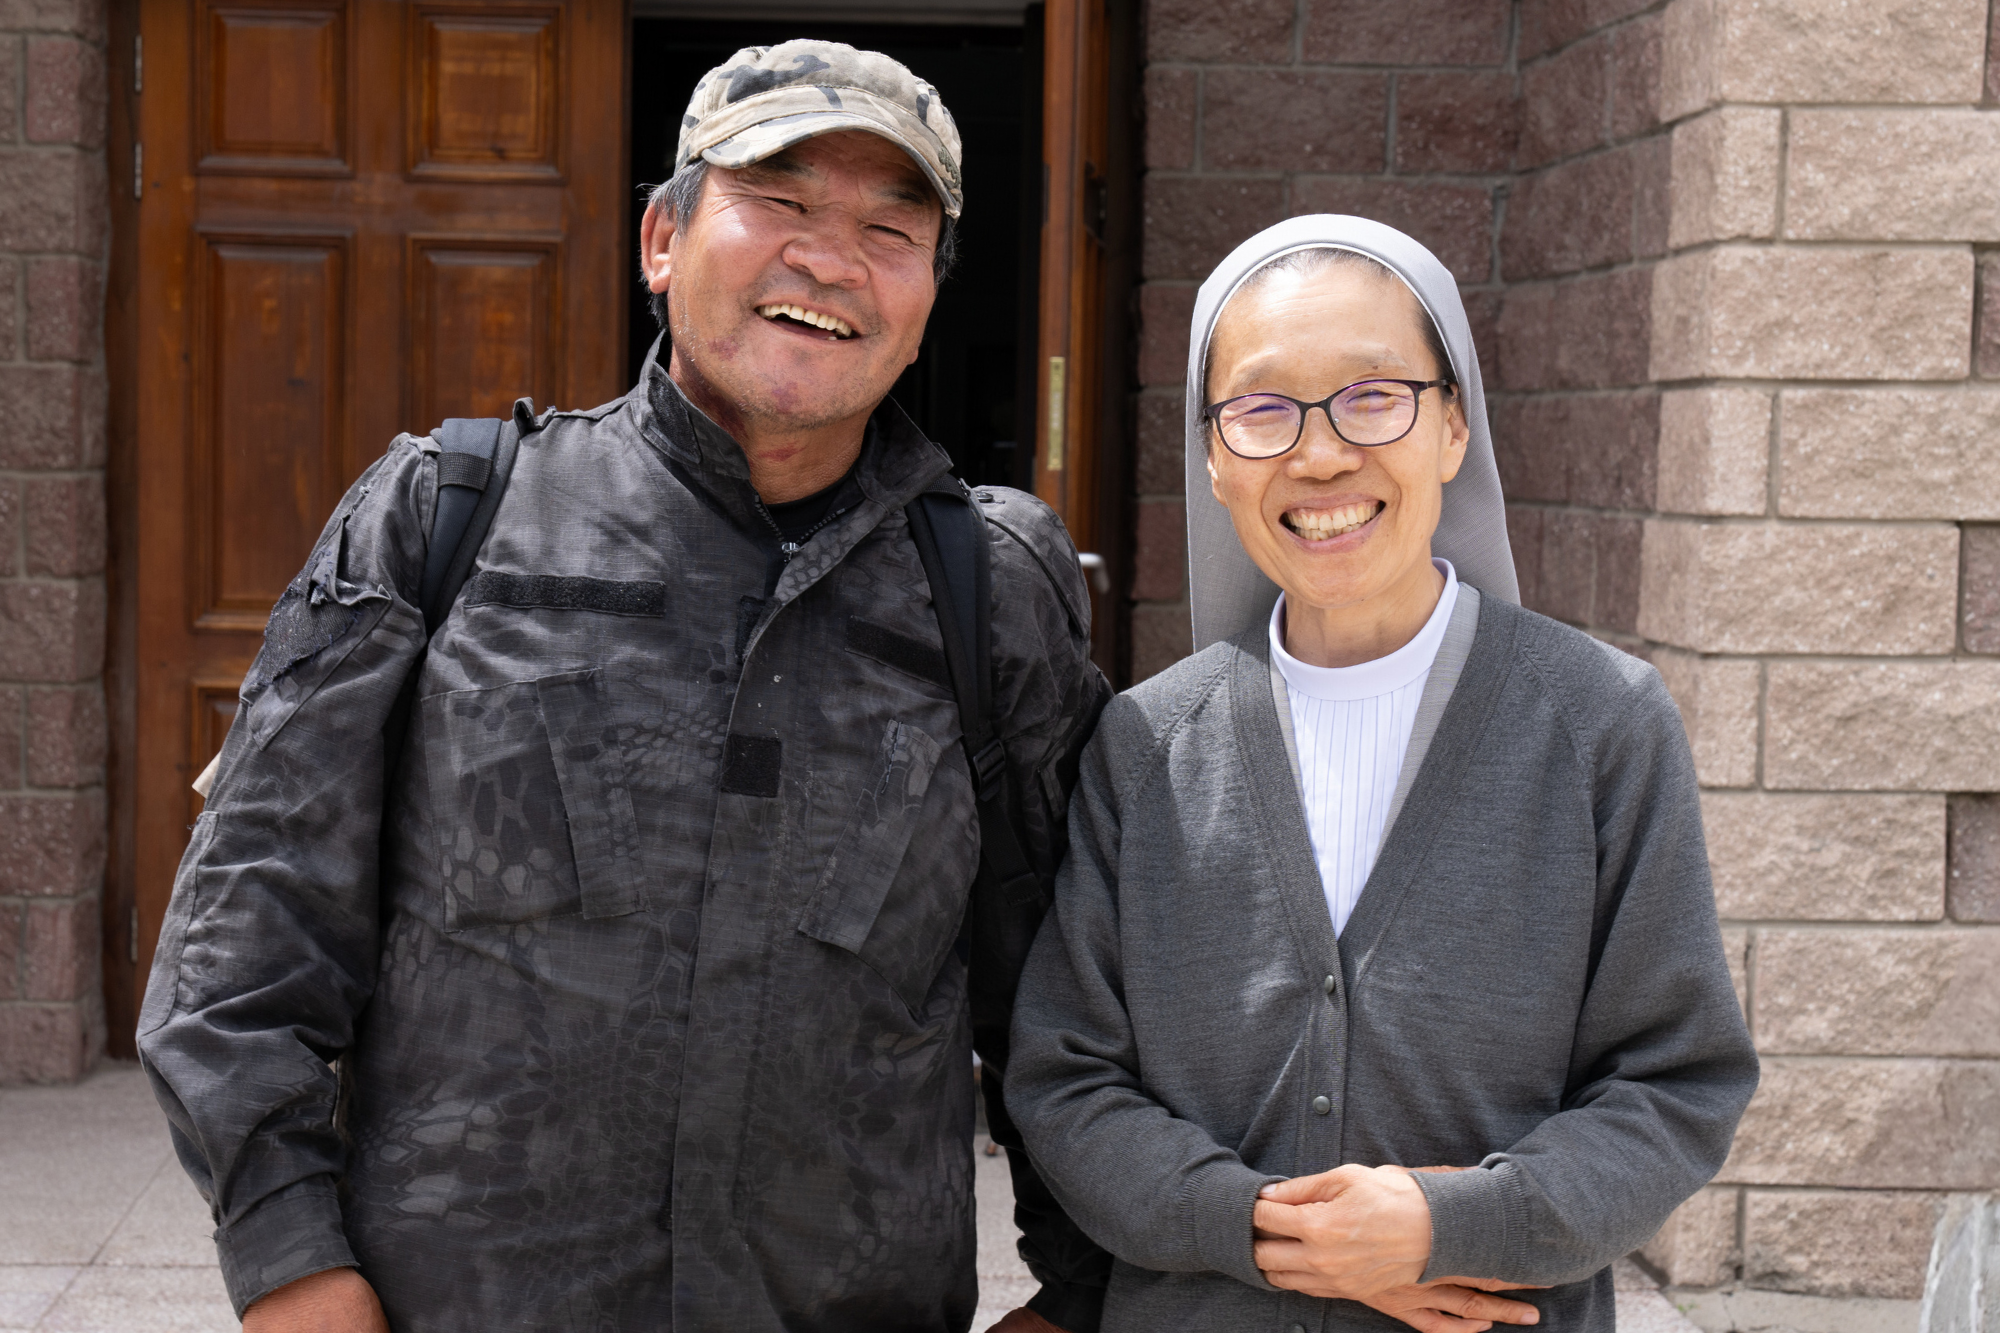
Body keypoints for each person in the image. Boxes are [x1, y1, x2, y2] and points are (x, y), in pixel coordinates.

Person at [138, 41, 1110, 1333]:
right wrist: (296, 1271)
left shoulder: (990, 593)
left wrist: (1078, 1294)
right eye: (782, 202)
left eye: (891, 226)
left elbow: (1078, 1004)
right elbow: (239, 954)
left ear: (929, 289)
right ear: (663, 237)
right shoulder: (445, 522)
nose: (829, 259)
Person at [1004, 215, 1759, 1333]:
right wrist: (1272, 1232)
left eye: (1373, 396)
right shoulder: (1146, 745)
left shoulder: (1600, 723)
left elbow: (1673, 1083)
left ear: (1453, 426)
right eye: (1261, 409)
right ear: (1211, 455)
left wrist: (1445, 1224)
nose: (1318, 455)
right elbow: (1064, 1080)